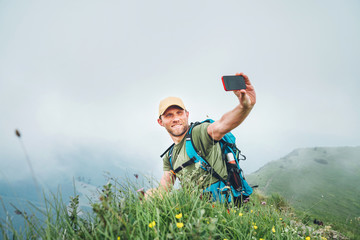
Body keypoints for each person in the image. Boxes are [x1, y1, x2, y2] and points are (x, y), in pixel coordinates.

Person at [145, 72, 256, 200]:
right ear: (160, 122)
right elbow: (163, 190)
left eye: (179, 113)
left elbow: (223, 124)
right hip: (198, 214)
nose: (175, 118)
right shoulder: (169, 156)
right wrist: (148, 197)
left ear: (187, 115)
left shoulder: (198, 133)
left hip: (226, 210)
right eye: (169, 115)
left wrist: (245, 107)